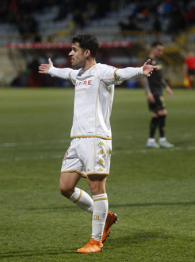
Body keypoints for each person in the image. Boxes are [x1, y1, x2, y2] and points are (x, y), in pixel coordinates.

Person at [38, 34, 156, 253]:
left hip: (96, 138)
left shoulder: (101, 72)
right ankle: (106, 217)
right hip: (76, 140)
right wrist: (53, 70)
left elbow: (121, 73)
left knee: (96, 188)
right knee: (65, 188)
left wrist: (141, 70)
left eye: (74, 49)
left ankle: (95, 241)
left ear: (87, 52)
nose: (70, 53)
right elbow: (67, 73)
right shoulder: (80, 74)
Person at [144, 41, 174, 148]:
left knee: (156, 114)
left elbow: (160, 78)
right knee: (163, 112)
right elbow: (144, 78)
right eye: (159, 50)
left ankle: (151, 140)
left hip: (158, 90)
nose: (161, 52)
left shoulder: (158, 62)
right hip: (154, 92)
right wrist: (148, 92)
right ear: (153, 49)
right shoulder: (147, 61)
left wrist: (167, 87)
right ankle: (162, 139)